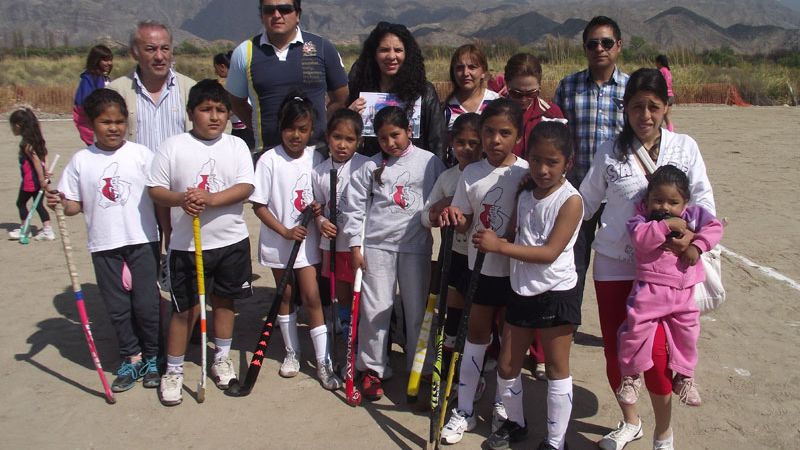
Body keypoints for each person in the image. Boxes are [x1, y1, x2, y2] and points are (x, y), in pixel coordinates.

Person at [579, 68, 716, 450]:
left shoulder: (684, 147)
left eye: (653, 107)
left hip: (664, 272)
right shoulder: (610, 149)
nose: (645, 116)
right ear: (625, 108)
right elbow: (585, 202)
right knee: (616, 350)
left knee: (656, 355)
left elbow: (704, 200)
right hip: (613, 264)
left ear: (666, 107)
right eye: (637, 107)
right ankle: (631, 421)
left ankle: (663, 432)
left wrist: (691, 238)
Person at [474, 121, 583, 450]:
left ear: (568, 163)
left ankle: (554, 441)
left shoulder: (571, 201)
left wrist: (500, 247)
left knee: (555, 368)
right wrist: (501, 238)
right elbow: (517, 234)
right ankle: (515, 423)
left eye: (552, 162)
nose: (542, 169)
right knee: (507, 364)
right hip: (521, 289)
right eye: (535, 160)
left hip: (555, 292)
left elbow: (549, 252)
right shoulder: (524, 191)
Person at [147, 79, 255, 406]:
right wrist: (182, 198)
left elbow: (245, 186)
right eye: (206, 110)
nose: (214, 117)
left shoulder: (236, 146)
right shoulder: (173, 145)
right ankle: (174, 370)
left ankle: (221, 358)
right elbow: (155, 189)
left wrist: (210, 199)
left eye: (221, 110)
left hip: (231, 242)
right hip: (186, 246)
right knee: (186, 310)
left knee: (225, 303)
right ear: (191, 112)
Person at [46, 89, 161, 392]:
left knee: (147, 305)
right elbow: (73, 205)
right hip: (104, 244)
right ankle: (131, 357)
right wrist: (58, 201)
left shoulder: (141, 155)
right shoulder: (82, 161)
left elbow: (159, 195)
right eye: (106, 122)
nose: (114, 128)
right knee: (118, 308)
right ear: (91, 124)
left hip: (142, 241)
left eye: (120, 121)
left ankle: (152, 357)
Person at [438, 98, 530, 444]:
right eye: (488, 132)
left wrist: (507, 239)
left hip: (515, 273)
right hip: (479, 270)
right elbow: (463, 221)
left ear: (518, 136)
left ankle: (504, 414)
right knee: (475, 339)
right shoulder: (471, 172)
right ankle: (463, 410)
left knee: (509, 348)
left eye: (504, 133)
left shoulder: (525, 172)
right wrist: (454, 217)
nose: (495, 140)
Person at [341, 106, 445, 400]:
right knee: (376, 309)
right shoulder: (371, 167)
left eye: (396, 135)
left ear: (409, 131)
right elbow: (355, 208)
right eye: (384, 138)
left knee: (416, 310)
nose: (390, 143)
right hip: (376, 246)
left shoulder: (429, 162)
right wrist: (354, 245)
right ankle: (372, 368)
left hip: (414, 247)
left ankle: (421, 367)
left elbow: (442, 194)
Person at [250, 91, 342, 390]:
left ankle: (324, 361)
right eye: (290, 128)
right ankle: (292, 352)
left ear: (311, 130)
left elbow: (322, 196)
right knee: (285, 297)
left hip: (307, 244)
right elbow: (259, 206)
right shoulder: (268, 160)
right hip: (280, 242)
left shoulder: (317, 157)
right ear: (280, 127)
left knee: (313, 296)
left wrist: (318, 211)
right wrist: (285, 231)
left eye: (303, 130)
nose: (296, 135)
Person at [617, 165, 722, 413]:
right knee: (635, 330)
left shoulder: (694, 216)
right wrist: (665, 226)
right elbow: (640, 240)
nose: (665, 207)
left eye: (673, 202)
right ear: (648, 200)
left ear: (685, 202)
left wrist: (697, 245)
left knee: (688, 333)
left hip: (683, 292)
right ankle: (631, 376)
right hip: (649, 291)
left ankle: (684, 377)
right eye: (658, 200)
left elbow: (715, 227)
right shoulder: (641, 220)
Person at [553, 16, 629, 315]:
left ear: (618, 46)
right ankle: (567, 322)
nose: (600, 48)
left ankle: (625, 324)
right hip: (578, 193)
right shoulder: (569, 86)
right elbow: (556, 135)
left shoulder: (631, 88)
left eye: (606, 42)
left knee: (622, 261)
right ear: (585, 48)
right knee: (574, 259)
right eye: (593, 43)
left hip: (621, 196)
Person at [226, 0, 349, 154]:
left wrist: (319, 124)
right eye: (269, 10)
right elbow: (237, 103)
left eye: (284, 9)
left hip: (315, 155)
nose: (277, 15)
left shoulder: (323, 47)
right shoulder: (244, 52)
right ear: (261, 15)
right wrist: (262, 127)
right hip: (266, 154)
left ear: (298, 14)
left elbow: (340, 97)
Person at [421, 113, 482, 372]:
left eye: (473, 143)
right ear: (451, 142)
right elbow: (425, 217)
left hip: (483, 257)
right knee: (454, 311)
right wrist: (441, 207)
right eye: (460, 142)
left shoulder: (489, 174)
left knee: (480, 316)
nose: (466, 149)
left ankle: (479, 363)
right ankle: (448, 365)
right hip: (454, 253)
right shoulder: (447, 177)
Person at [312, 108, 370, 345]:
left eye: (350, 139)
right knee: (342, 290)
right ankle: (346, 327)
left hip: (359, 242)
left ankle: (363, 329)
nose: (342, 145)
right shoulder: (319, 171)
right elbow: (317, 206)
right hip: (333, 243)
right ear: (327, 136)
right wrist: (321, 222)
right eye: (337, 137)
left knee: (362, 289)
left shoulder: (365, 166)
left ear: (359, 141)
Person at [347, 22, 446, 160]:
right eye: (384, 50)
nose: (391, 56)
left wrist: (436, 173)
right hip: (370, 171)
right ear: (374, 54)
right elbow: (347, 138)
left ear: (407, 54)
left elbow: (437, 141)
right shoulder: (360, 89)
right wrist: (349, 116)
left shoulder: (424, 92)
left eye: (398, 50)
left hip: (414, 173)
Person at [109, 21, 196, 153]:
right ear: (134, 53)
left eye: (165, 48)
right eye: (151, 49)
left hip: (179, 173)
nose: (159, 56)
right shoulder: (115, 92)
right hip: (135, 173)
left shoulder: (191, 89)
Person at [504, 53, 565, 158]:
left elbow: (563, 153)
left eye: (531, 94)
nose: (523, 99)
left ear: (539, 86)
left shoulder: (551, 114)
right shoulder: (495, 112)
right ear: (507, 84)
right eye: (516, 94)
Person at [8, 108, 54, 241]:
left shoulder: (26, 144)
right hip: (37, 180)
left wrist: (41, 179)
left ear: (18, 126)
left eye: (12, 126)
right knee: (38, 205)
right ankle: (47, 230)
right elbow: (44, 154)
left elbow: (36, 161)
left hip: (31, 181)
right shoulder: (36, 139)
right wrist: (46, 171)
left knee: (20, 203)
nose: (12, 129)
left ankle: (25, 229)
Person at [443, 44, 499, 131]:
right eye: (460, 68)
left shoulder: (496, 103)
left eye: (472, 67)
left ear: (483, 72)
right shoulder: (445, 109)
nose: (465, 73)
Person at [213, 51, 256, 150]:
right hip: (239, 127)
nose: (216, 72)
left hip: (245, 129)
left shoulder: (233, 83)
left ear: (222, 66)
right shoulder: (239, 80)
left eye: (216, 69)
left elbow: (235, 106)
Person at [73, 44, 114, 145]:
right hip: (92, 127)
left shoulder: (104, 79)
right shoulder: (88, 80)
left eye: (110, 60)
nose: (109, 63)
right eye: (105, 60)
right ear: (96, 60)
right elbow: (86, 105)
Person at [655, 55, 674, 132]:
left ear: (659, 62)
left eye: (656, 62)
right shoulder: (668, 71)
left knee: (659, 116)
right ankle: (671, 132)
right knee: (668, 117)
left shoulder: (661, 71)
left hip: (664, 95)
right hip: (671, 95)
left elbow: (658, 83)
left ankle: (657, 132)